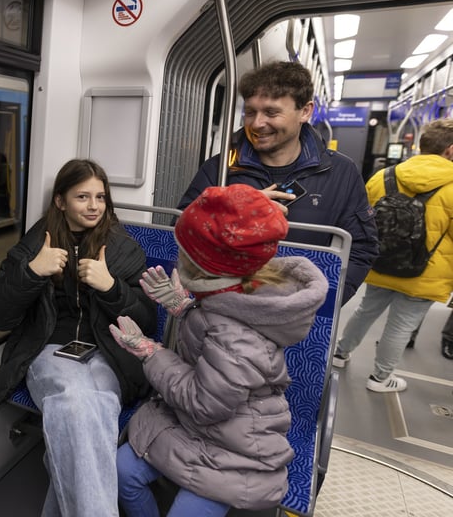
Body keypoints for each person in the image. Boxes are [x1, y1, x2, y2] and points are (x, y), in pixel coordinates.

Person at [109, 184, 328, 516]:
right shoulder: (237, 295)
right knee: (123, 471)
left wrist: (150, 352)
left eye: (184, 252)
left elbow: (205, 401)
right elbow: (213, 338)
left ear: (204, 267)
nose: (177, 255)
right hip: (197, 423)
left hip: (237, 446)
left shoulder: (238, 336)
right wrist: (184, 308)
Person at [0, 159, 156, 516]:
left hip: (107, 352)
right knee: (79, 402)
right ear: (60, 202)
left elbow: (146, 323)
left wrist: (110, 287)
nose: (94, 206)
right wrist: (32, 272)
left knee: (81, 413)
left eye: (100, 197)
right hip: (48, 349)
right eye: (82, 197)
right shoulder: (35, 245)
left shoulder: (123, 249)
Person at [177, 61, 378, 305]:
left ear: (305, 111)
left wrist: (322, 305)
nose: (257, 123)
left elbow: (361, 249)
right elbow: (180, 231)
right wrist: (238, 211)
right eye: (250, 112)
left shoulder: (340, 172)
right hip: (227, 305)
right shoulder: (221, 168)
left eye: (271, 113)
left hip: (301, 309)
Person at [332, 118, 453, 391]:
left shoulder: (383, 176)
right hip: (425, 273)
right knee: (400, 326)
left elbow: (362, 219)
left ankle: (340, 353)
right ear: (450, 150)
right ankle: (380, 377)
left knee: (366, 310)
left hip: (381, 262)